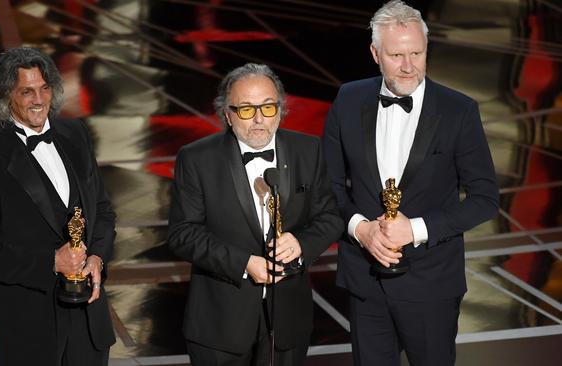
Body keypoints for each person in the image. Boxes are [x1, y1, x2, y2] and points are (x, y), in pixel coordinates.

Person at [321, 1, 499, 365]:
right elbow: (328, 185)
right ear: (375, 53)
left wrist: (415, 229)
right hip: (364, 280)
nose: (408, 66)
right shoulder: (348, 98)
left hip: (432, 284)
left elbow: (485, 198)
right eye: (396, 54)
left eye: (417, 53)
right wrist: (360, 230)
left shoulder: (458, 110)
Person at [168, 63, 343, 365]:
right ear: (228, 114)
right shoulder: (196, 158)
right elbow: (183, 234)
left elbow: (330, 217)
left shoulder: (309, 150)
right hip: (220, 326)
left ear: (281, 108)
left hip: (289, 321)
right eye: (247, 110)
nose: (260, 119)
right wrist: (245, 264)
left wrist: (301, 244)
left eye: (268, 107)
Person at [0, 47, 116, 366]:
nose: (39, 99)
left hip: (89, 321)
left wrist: (97, 258)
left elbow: (103, 210)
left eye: (44, 88)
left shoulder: (76, 134)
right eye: (26, 91)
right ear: (6, 96)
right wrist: (51, 262)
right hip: (29, 329)